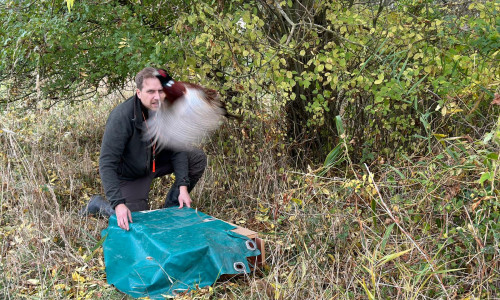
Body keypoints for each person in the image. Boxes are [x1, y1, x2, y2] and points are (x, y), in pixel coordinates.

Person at [81, 67, 207, 231]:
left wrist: (183, 186)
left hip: (156, 162)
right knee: (135, 223)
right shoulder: (122, 117)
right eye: (151, 91)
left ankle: (172, 208)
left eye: (160, 91)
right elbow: (106, 163)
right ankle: (98, 205)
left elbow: (178, 148)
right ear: (139, 93)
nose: (157, 97)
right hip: (130, 175)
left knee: (196, 157)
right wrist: (118, 204)